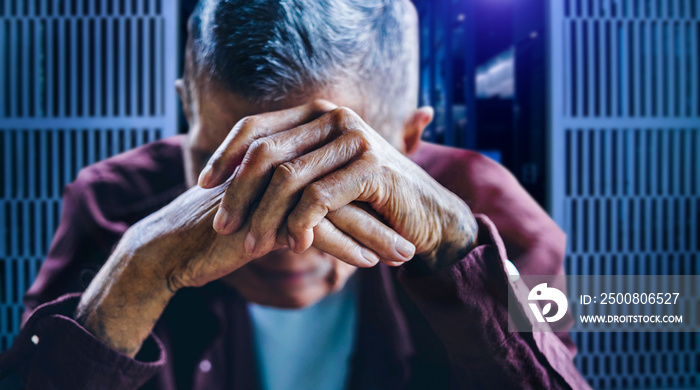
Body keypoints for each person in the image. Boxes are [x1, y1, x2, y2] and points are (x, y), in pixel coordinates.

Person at [0, 0, 588, 389]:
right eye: (227, 168)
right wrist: (130, 278)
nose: (278, 239)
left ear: (406, 142)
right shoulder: (108, 207)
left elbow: (667, 308)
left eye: (330, 178)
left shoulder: (493, 218)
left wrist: (459, 253)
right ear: (188, 115)